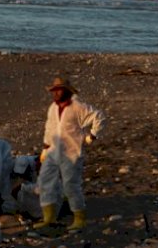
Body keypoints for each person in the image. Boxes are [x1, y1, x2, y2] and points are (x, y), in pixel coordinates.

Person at [35, 77, 106, 231]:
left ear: (67, 91)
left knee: (70, 185)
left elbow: (98, 116)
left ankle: (79, 218)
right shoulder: (52, 108)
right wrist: (45, 148)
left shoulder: (77, 107)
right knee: (45, 181)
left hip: (72, 152)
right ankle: (49, 217)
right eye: (54, 90)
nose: (55, 93)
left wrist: (92, 136)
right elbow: (49, 128)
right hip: (53, 151)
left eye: (59, 90)